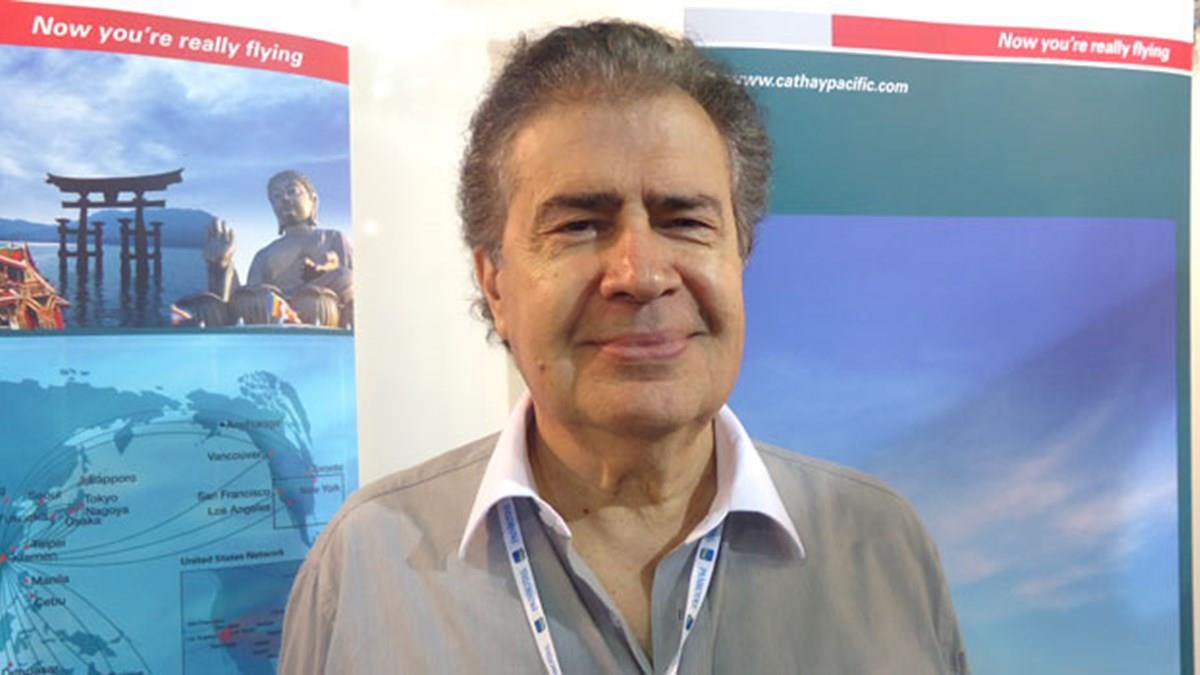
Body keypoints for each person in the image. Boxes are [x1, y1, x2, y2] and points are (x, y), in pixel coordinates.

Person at [280, 20, 969, 674]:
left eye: (685, 220)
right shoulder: (366, 568)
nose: (640, 274)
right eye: (580, 224)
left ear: (740, 256)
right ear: (494, 283)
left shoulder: (882, 549)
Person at [201, 170, 353, 327]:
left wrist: (322, 272)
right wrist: (222, 266)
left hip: (322, 308)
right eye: (277, 197)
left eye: (292, 191)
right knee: (255, 296)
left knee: (345, 276)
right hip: (275, 313)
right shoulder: (264, 255)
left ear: (313, 201)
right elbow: (248, 298)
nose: (285, 199)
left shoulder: (334, 238)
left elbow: (353, 283)